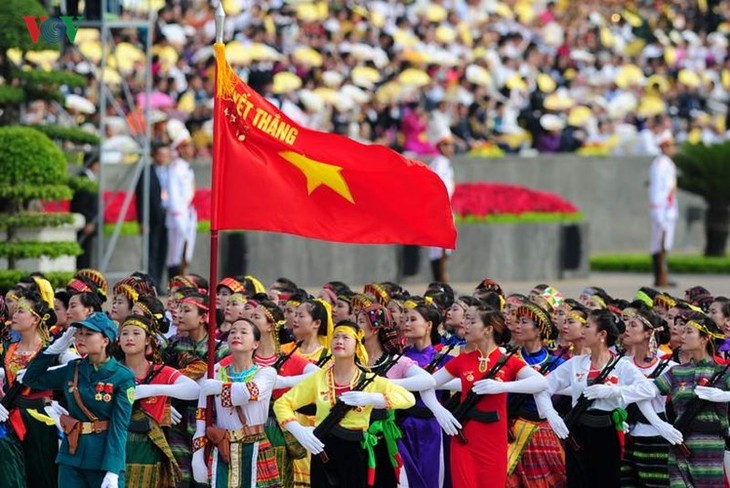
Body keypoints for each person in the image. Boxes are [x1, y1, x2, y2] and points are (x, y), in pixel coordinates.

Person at [588, 313, 728, 488]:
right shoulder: (677, 372)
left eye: (689, 332)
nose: (682, 336)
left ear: (704, 339)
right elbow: (645, 391)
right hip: (678, 441)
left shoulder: (722, 371)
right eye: (682, 331)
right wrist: (658, 423)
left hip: (709, 446)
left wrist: (723, 396)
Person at [273, 319, 416, 488]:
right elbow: (282, 404)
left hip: (356, 452)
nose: (339, 341)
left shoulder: (369, 380)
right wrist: (298, 429)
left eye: (346, 337)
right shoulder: (318, 379)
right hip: (323, 450)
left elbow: (408, 399)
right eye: (336, 337)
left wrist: (374, 399)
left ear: (357, 345)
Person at [430, 304, 547, 488]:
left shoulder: (508, 361)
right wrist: (438, 410)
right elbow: (428, 384)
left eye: (472, 321)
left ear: (488, 329)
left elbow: (541, 383)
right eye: (465, 319)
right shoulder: (463, 359)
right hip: (464, 438)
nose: (465, 324)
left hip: (494, 440)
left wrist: (502, 386)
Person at [537, 310, 651, 488]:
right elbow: (544, 387)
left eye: (588, 326)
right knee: (578, 481)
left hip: (607, 433)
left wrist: (615, 391)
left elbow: (647, 389)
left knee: (606, 481)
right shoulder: (576, 363)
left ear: (602, 334)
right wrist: (550, 414)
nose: (583, 330)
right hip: (578, 431)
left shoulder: (621, 365)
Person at [23, 312, 135, 488]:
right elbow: (31, 379)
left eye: (89, 334)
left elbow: (119, 426)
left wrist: (113, 470)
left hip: (102, 458)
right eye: (80, 333)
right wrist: (53, 350)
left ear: (105, 340)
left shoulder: (122, 376)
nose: (81, 338)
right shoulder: (73, 369)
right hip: (71, 456)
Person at [192, 318, 282, 487]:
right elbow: (202, 416)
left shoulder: (266, 373)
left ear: (256, 343)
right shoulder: (216, 372)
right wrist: (197, 456)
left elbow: (249, 393)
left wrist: (218, 387)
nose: (236, 335)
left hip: (255, 446)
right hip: (223, 447)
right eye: (233, 331)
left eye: (243, 332)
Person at [120, 314, 199, 487]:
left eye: (136, 333)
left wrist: (155, 389)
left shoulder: (161, 372)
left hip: (151, 447)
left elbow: (194, 390)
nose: (129, 338)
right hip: (117, 444)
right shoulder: (112, 370)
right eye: (124, 333)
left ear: (148, 340)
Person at [135, 143, 171, 291]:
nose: (164, 158)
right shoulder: (147, 172)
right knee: (152, 252)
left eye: (166, 155)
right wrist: (143, 220)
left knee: (163, 252)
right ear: (154, 155)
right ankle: (153, 285)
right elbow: (141, 197)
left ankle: (160, 283)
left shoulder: (170, 172)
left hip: (167, 218)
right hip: (153, 219)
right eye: (161, 155)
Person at [648, 131, 678, 287]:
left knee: (665, 244)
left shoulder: (667, 163)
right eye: (671, 145)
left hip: (668, 209)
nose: (674, 148)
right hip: (662, 210)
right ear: (664, 146)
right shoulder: (660, 164)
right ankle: (659, 276)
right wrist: (658, 210)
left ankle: (662, 275)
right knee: (659, 244)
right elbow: (658, 190)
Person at [166, 130, 197, 279]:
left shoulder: (186, 167)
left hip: (189, 214)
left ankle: (182, 281)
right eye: (187, 147)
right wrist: (178, 216)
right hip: (178, 215)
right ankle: (174, 284)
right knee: (176, 254)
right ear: (180, 149)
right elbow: (173, 194)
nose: (191, 150)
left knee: (187, 252)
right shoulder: (175, 168)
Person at [427, 132, 456, 283]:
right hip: (439, 209)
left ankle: (442, 282)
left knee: (445, 250)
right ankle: (440, 283)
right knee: (439, 250)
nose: (451, 148)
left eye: (451, 145)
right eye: (447, 145)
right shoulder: (439, 162)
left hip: (445, 208)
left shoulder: (445, 163)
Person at [70, 152, 100, 270]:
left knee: (87, 255)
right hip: (85, 224)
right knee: (83, 256)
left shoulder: (89, 178)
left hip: (90, 224)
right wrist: (87, 221)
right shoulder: (82, 178)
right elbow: (80, 203)